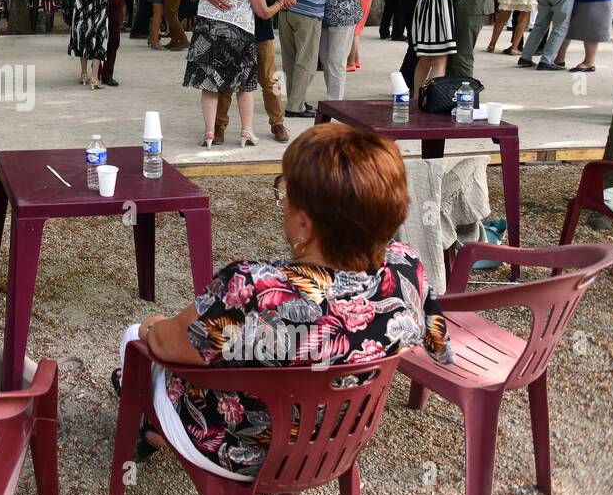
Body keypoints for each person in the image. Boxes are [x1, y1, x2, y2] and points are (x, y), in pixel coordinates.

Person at [115, 122, 453, 473]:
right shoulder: (406, 265)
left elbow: (170, 346)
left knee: (133, 339)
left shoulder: (253, 287)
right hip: (337, 442)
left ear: (305, 225)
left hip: (243, 448)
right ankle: (153, 428)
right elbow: (438, 343)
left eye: (286, 190)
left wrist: (150, 328)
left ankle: (150, 428)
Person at [183, 0, 293, 147]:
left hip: (208, 32)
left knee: (212, 85)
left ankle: (210, 133)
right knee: (245, 85)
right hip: (240, 34)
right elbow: (262, 11)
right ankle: (243, 132)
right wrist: (282, 3)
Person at [213, 0, 286, 143]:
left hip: (261, 31)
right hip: (231, 32)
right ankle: (218, 127)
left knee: (271, 81)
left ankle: (278, 123)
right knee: (225, 81)